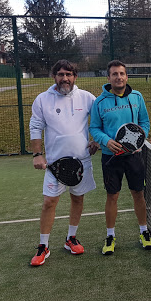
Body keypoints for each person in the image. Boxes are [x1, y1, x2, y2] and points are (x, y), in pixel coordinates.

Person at [29, 59, 99, 266]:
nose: (65, 78)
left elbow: (98, 122)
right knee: (49, 202)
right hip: (55, 165)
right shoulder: (42, 100)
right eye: (61, 74)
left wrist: (96, 141)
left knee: (77, 199)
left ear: (75, 77)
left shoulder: (87, 98)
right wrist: (37, 154)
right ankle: (43, 246)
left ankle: (71, 238)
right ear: (54, 77)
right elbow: (35, 127)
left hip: (82, 162)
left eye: (69, 74)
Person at [89, 60, 151, 255]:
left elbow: (144, 122)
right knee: (112, 196)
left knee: (138, 194)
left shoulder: (137, 97)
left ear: (127, 76)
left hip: (134, 156)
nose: (119, 77)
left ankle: (144, 232)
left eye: (122, 74)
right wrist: (106, 141)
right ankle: (110, 235)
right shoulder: (99, 102)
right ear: (108, 78)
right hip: (111, 157)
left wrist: (139, 141)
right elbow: (94, 128)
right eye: (115, 74)